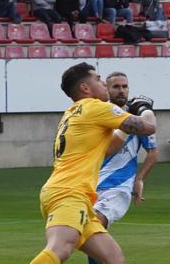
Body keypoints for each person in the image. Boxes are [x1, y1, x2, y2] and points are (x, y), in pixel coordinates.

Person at [29, 63, 154, 264]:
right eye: (98, 79)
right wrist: (144, 108)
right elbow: (149, 128)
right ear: (85, 88)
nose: (103, 83)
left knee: (113, 258)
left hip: (71, 193)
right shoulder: (96, 107)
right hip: (70, 193)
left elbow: (109, 149)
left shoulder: (73, 112)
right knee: (60, 249)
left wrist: (128, 123)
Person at [87, 72, 158, 264]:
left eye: (125, 86)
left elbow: (153, 151)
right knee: (90, 234)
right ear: (107, 89)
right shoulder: (100, 114)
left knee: (94, 226)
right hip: (91, 184)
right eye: (116, 87)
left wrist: (139, 179)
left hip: (118, 186)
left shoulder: (135, 120)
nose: (121, 91)